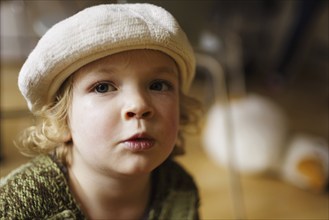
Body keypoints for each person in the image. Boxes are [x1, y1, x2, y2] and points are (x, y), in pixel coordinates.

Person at [0, 3, 201, 219]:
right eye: (103, 87)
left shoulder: (180, 189)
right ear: (62, 118)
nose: (139, 105)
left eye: (158, 85)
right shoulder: (17, 206)